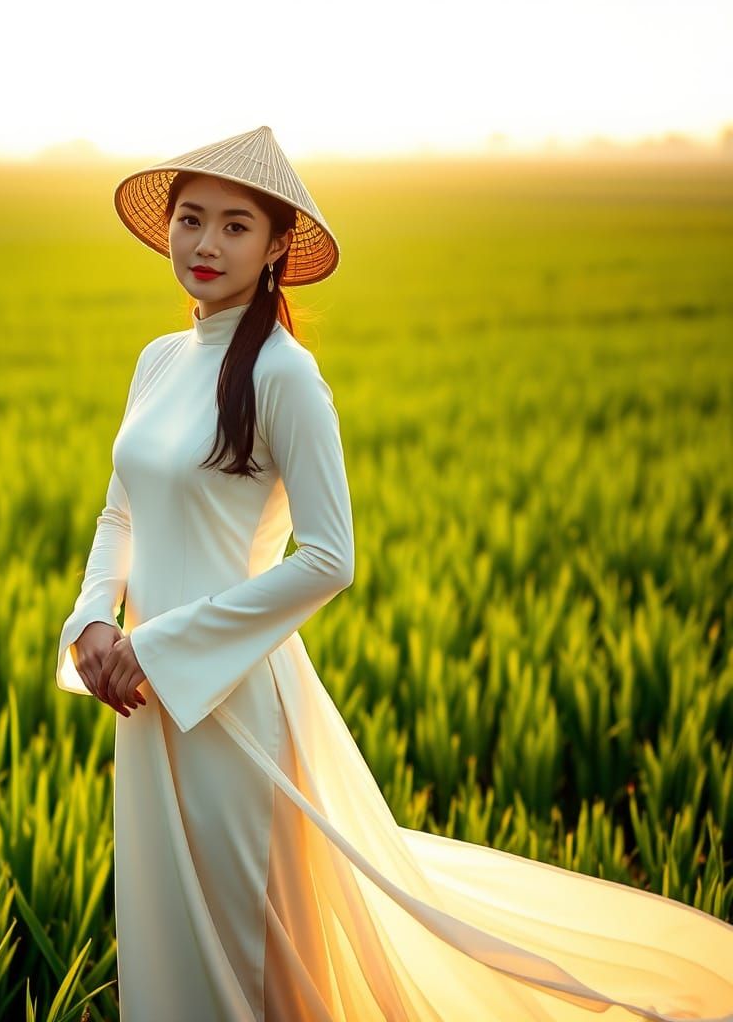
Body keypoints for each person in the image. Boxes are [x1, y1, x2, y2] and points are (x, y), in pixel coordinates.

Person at [56, 125, 733, 1021]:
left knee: (245, 950)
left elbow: (331, 558)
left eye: (233, 226)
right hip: (142, 701)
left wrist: (162, 643)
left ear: (275, 248)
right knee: (166, 935)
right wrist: (94, 623)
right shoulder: (158, 360)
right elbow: (120, 511)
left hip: (231, 706)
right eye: (191, 220)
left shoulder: (285, 375)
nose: (206, 244)